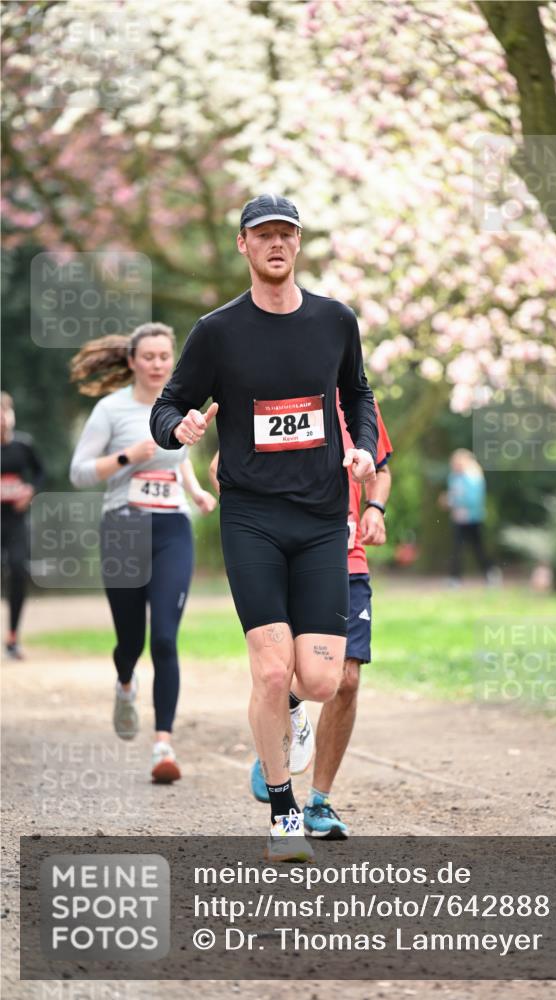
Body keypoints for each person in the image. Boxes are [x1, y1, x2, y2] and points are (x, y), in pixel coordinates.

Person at [150, 193, 378, 861]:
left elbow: (356, 392)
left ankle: (291, 721)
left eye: (286, 233)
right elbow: (170, 403)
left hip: (319, 519)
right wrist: (180, 426)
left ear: (297, 245)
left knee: (320, 682)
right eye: (263, 235)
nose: (275, 243)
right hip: (251, 517)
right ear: (244, 247)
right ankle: (282, 812)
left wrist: (360, 446)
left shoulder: (334, 320)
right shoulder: (217, 332)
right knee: (273, 673)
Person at [69, 325, 217, 783]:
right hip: (123, 528)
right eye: (148, 356)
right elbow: (78, 473)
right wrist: (128, 456)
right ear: (132, 361)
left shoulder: (176, 407)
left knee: (167, 638)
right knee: (130, 641)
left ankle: (162, 747)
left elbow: (179, 455)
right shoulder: (109, 410)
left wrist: (194, 493)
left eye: (163, 356)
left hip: (172, 527)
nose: (157, 364)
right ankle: (125, 683)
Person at [246, 393, 393, 838]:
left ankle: (319, 802)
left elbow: (381, 472)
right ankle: (280, 717)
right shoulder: (279, 396)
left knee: (345, 679)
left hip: (347, 560)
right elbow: (222, 467)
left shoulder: (361, 407)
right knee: (288, 671)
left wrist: (374, 507)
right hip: (291, 560)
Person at [1, 392, 45, 659]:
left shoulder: (23, 445)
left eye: (5, 414)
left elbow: (40, 472)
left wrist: (30, 491)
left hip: (16, 521)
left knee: (18, 569)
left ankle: (13, 637)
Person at [439, 448, 499, 585]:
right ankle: (455, 578)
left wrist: (451, 501)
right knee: (456, 548)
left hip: (473, 519)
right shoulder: (454, 477)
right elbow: (454, 494)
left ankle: (490, 572)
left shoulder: (473, 477)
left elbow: (473, 500)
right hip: (458, 519)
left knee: (478, 548)